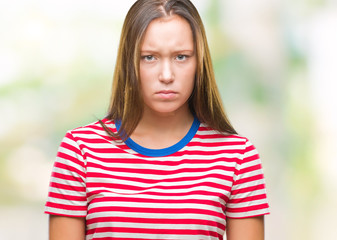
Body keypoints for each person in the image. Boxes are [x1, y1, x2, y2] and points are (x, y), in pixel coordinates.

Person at [45, 0, 270, 239]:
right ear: (129, 62)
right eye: (149, 57)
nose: (166, 75)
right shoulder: (81, 150)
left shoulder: (237, 156)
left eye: (181, 57)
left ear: (199, 63)